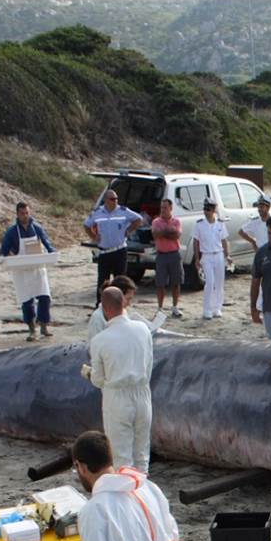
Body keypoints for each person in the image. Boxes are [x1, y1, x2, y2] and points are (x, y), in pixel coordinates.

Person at [83, 287, 155, 474]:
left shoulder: (100, 340)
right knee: (142, 453)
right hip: (142, 391)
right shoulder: (142, 329)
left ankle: (127, 491)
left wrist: (89, 374)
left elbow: (98, 380)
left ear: (104, 309)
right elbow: (149, 364)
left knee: (121, 457)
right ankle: (142, 486)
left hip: (117, 396)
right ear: (123, 303)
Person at [0, 201, 55, 340]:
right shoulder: (12, 232)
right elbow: (3, 250)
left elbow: (47, 243)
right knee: (27, 301)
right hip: (21, 271)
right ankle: (32, 329)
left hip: (37, 268)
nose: (25, 216)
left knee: (44, 298)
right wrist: (3, 258)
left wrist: (52, 253)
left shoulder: (37, 228)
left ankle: (44, 326)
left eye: (27, 213)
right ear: (17, 214)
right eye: (22, 213)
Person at [84, 189, 143, 304]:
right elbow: (86, 225)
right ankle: (100, 305)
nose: (115, 201)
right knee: (102, 281)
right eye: (112, 199)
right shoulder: (98, 212)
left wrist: (129, 230)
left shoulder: (123, 211)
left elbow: (138, 219)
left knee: (120, 281)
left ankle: (120, 304)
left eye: (116, 199)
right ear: (106, 200)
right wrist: (93, 236)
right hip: (104, 252)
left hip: (119, 251)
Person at [191, 199, 230, 319]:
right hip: (206, 255)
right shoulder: (199, 224)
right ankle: (207, 309)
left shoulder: (220, 224)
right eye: (205, 209)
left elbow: (224, 240)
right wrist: (197, 258)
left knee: (219, 283)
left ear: (213, 210)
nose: (206, 212)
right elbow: (195, 242)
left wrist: (227, 255)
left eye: (208, 209)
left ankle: (217, 308)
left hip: (219, 254)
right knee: (210, 282)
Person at [150, 197, 185, 318]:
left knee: (176, 282)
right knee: (160, 283)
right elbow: (155, 235)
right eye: (161, 208)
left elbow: (176, 235)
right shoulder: (156, 222)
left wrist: (163, 232)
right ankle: (160, 308)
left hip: (174, 254)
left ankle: (175, 307)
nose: (163, 210)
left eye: (165, 207)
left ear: (171, 208)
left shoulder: (177, 221)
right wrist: (168, 231)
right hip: (161, 255)